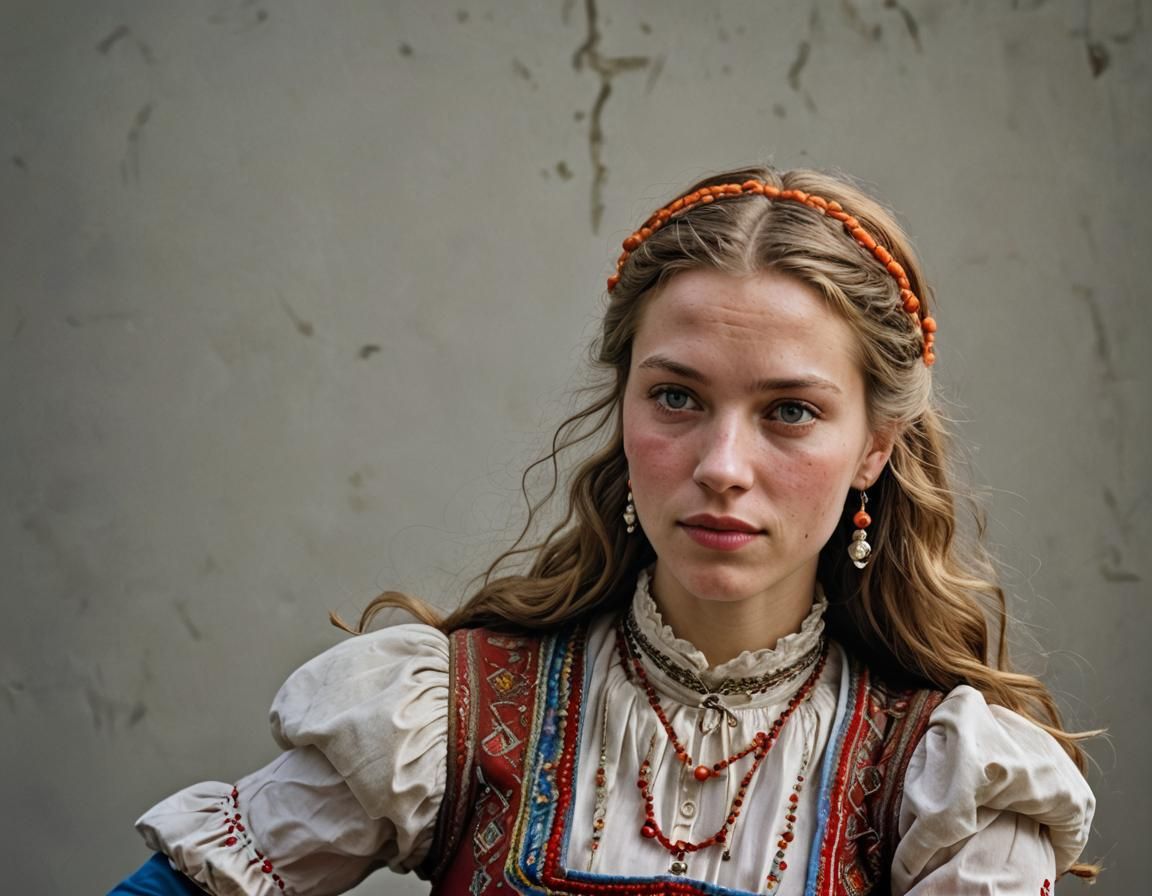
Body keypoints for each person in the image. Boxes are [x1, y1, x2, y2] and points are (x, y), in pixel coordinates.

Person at [111, 165, 1097, 896]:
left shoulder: (938, 780)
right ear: (623, 406)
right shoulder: (455, 715)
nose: (722, 464)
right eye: (677, 396)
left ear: (874, 446)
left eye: (790, 411)